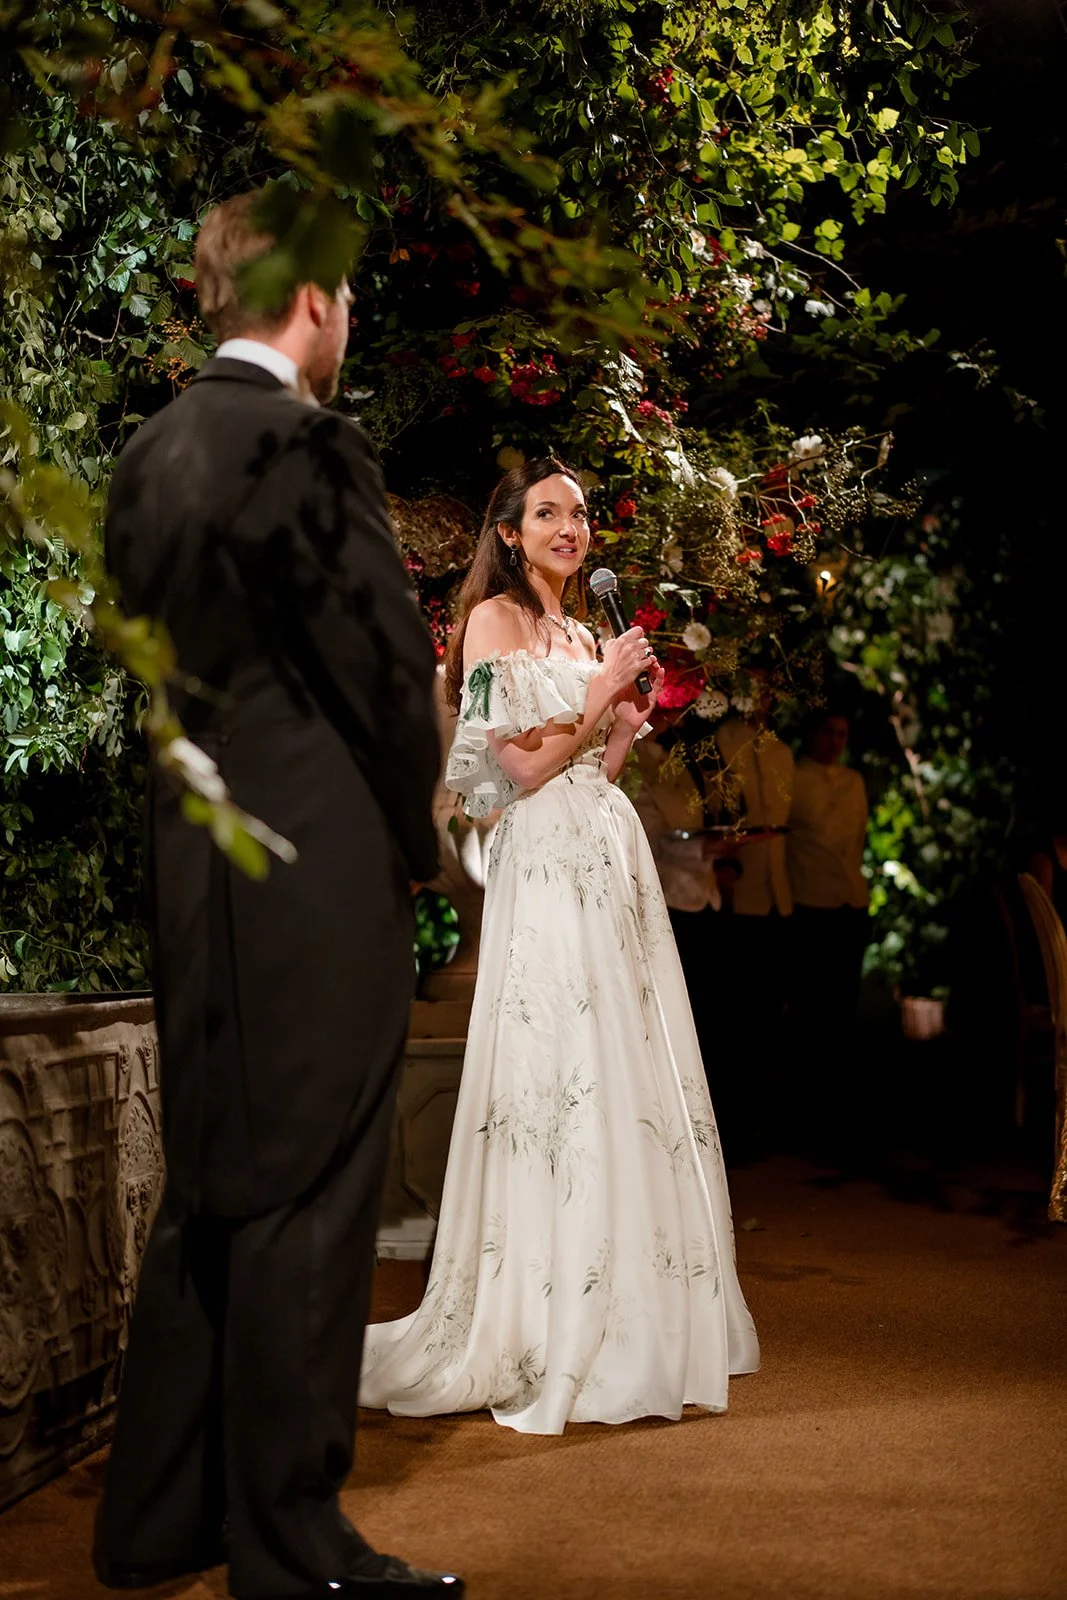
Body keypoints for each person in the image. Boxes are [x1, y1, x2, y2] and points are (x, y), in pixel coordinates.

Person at [96, 191, 460, 1599]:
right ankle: (294, 1541)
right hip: (313, 869)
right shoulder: (306, 445)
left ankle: (156, 1515)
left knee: (213, 1179)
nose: (348, 317)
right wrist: (419, 851)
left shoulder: (150, 451)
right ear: (310, 300)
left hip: (196, 863)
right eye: (346, 295)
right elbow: (383, 671)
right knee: (309, 1188)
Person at [359, 458, 759, 1434]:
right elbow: (513, 776)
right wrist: (595, 702)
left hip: (606, 853)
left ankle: (626, 1303)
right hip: (540, 860)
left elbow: (588, 765)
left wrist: (620, 724)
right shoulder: (492, 624)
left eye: (578, 513)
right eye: (546, 513)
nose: (568, 527)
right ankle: (545, 1314)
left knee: (619, 1066)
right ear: (509, 532)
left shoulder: (583, 633)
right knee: (558, 1065)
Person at [785, 708, 870, 1150]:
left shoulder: (854, 781)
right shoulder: (795, 777)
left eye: (843, 733)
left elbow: (856, 838)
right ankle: (807, 1113)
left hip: (850, 901)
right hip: (810, 901)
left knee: (843, 1008)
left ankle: (839, 1111)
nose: (836, 741)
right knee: (811, 1008)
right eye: (828, 732)